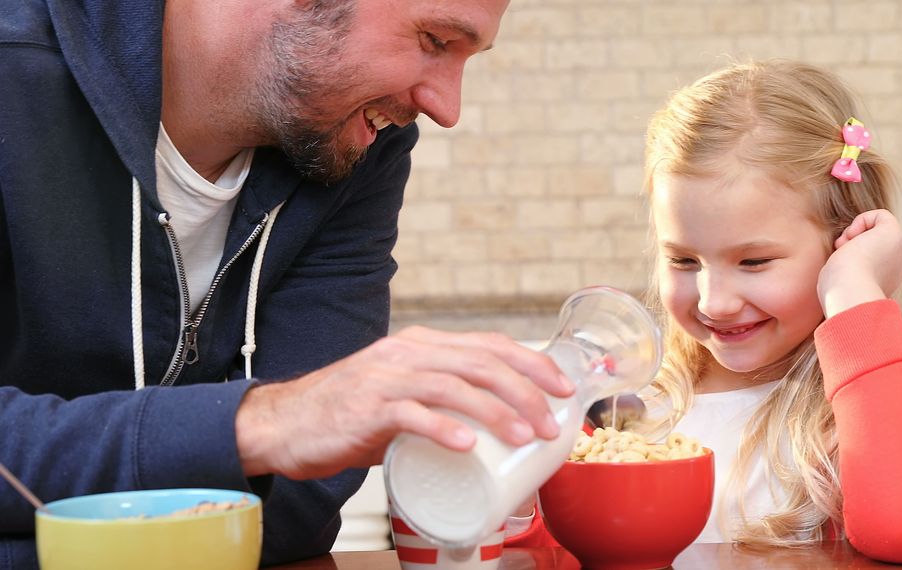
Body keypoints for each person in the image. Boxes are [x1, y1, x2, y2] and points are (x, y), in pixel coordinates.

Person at [0, 0, 573, 568]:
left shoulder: (355, 149)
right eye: (434, 41)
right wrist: (266, 423)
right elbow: (292, 447)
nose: (447, 108)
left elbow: (301, 504)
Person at [507, 60, 902, 563]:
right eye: (683, 260)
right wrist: (515, 503)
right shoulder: (621, 412)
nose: (715, 301)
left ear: (842, 242)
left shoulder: (881, 402)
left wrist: (854, 293)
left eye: (753, 261)